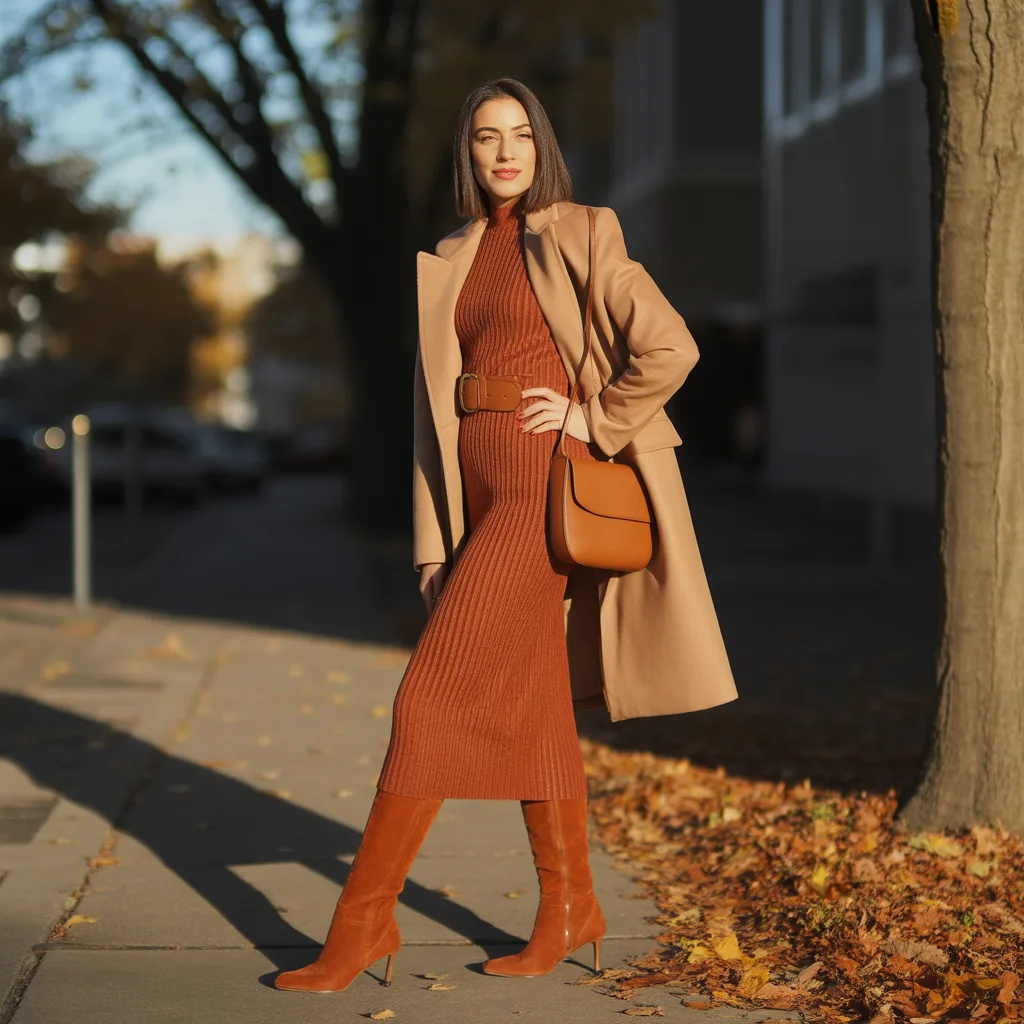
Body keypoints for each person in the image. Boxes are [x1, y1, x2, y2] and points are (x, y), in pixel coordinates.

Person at [274, 77, 737, 995]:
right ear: (469, 153)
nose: (505, 150)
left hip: (541, 488)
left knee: (429, 697)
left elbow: (671, 346)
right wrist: (435, 541)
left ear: (542, 144)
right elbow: (426, 414)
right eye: (487, 137)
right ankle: (571, 910)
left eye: (520, 133)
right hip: (479, 493)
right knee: (531, 708)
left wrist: (593, 420)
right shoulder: (450, 254)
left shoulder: (581, 230)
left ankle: (361, 923)